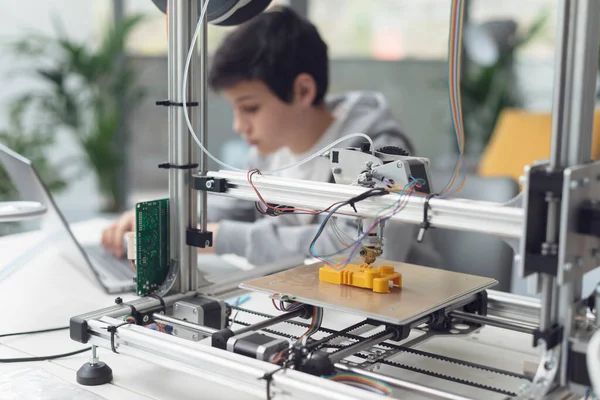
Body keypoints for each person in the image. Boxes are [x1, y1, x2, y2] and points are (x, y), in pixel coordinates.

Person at [102, 6, 440, 268]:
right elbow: (231, 209)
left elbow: (368, 250)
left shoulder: (381, 151)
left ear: (303, 90)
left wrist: (222, 239)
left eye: (250, 108)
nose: (239, 125)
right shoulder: (268, 154)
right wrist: (163, 217)